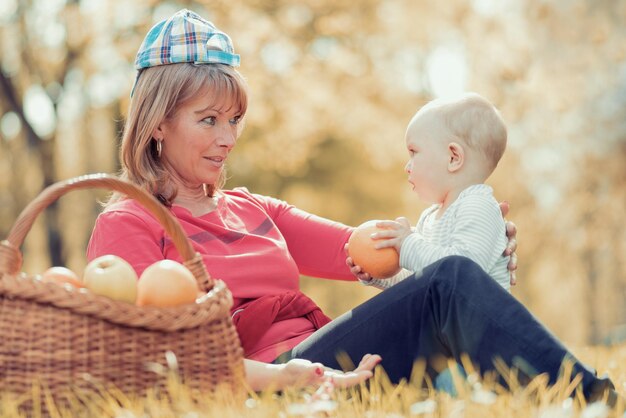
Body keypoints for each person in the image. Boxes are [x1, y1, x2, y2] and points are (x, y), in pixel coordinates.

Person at [86, 9, 620, 406]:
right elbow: (143, 358)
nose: (228, 138)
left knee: (449, 280)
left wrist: (467, 234)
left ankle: (568, 399)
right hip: (271, 380)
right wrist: (282, 378)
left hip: (327, 358)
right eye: (209, 121)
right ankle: (593, 400)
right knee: (447, 282)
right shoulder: (130, 222)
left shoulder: (254, 209)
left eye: (233, 120)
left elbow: (374, 251)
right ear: (157, 123)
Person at [353, 93, 511, 292]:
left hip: (481, 322)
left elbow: (462, 271)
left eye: (414, 152)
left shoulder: (478, 206)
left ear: (453, 158)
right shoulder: (429, 218)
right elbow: (420, 279)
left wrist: (408, 245)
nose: (407, 166)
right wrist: (379, 274)